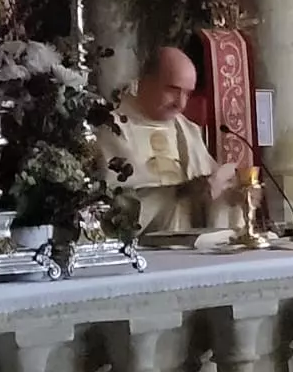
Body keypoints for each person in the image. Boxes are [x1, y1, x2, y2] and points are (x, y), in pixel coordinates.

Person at [95, 46, 239, 233]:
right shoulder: (113, 128)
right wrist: (181, 192)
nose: (181, 103)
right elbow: (116, 202)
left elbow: (211, 190)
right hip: (142, 251)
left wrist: (230, 193)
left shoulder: (187, 130)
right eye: (173, 90)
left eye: (188, 93)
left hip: (193, 246)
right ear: (145, 82)